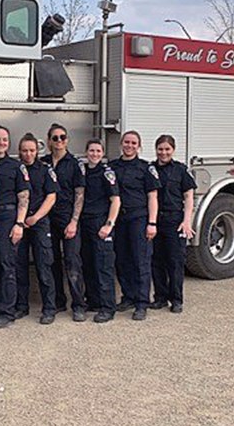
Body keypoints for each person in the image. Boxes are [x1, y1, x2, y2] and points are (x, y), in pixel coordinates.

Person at [109, 130, 161, 321]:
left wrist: (152, 223)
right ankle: (128, 296)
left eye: (133, 143)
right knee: (122, 260)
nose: (129, 146)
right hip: (119, 220)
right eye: (126, 142)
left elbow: (153, 197)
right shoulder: (112, 167)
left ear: (138, 146)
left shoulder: (146, 168)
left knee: (141, 261)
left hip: (139, 218)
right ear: (121, 144)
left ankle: (141, 303)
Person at [40, 123, 88, 321]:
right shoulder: (43, 163)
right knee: (50, 262)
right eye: (55, 138)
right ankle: (57, 302)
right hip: (47, 220)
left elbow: (80, 194)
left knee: (72, 261)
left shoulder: (75, 164)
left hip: (68, 219)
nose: (59, 141)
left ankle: (78, 304)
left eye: (62, 137)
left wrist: (74, 221)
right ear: (49, 141)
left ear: (67, 140)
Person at [0, 125, 30, 328]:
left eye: (4, 139)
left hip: (7, 216)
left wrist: (19, 223)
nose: (1, 143)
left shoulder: (16, 167)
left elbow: (24, 196)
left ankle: (7, 311)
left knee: (6, 264)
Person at [15, 132, 59, 324]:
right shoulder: (16, 169)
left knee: (44, 265)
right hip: (20, 222)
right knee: (19, 266)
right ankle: (21, 306)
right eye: (24, 151)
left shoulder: (45, 170)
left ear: (37, 151)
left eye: (31, 150)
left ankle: (49, 308)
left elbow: (51, 197)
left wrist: (35, 217)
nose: (28, 154)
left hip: (39, 222)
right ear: (19, 151)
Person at [150, 134, 196, 314]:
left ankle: (176, 299)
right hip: (155, 221)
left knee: (175, 262)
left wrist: (186, 221)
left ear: (173, 150)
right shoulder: (150, 169)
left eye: (167, 149)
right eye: (160, 149)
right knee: (156, 260)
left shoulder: (181, 170)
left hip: (174, 221)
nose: (163, 153)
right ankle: (160, 297)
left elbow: (189, 197)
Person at [80, 138, 121, 323]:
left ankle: (108, 307)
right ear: (86, 152)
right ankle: (94, 301)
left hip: (101, 223)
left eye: (98, 151)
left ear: (103, 154)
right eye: (91, 151)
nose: (94, 154)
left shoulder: (107, 173)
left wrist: (109, 225)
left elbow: (116, 200)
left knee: (104, 266)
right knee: (88, 264)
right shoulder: (82, 171)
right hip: (85, 223)